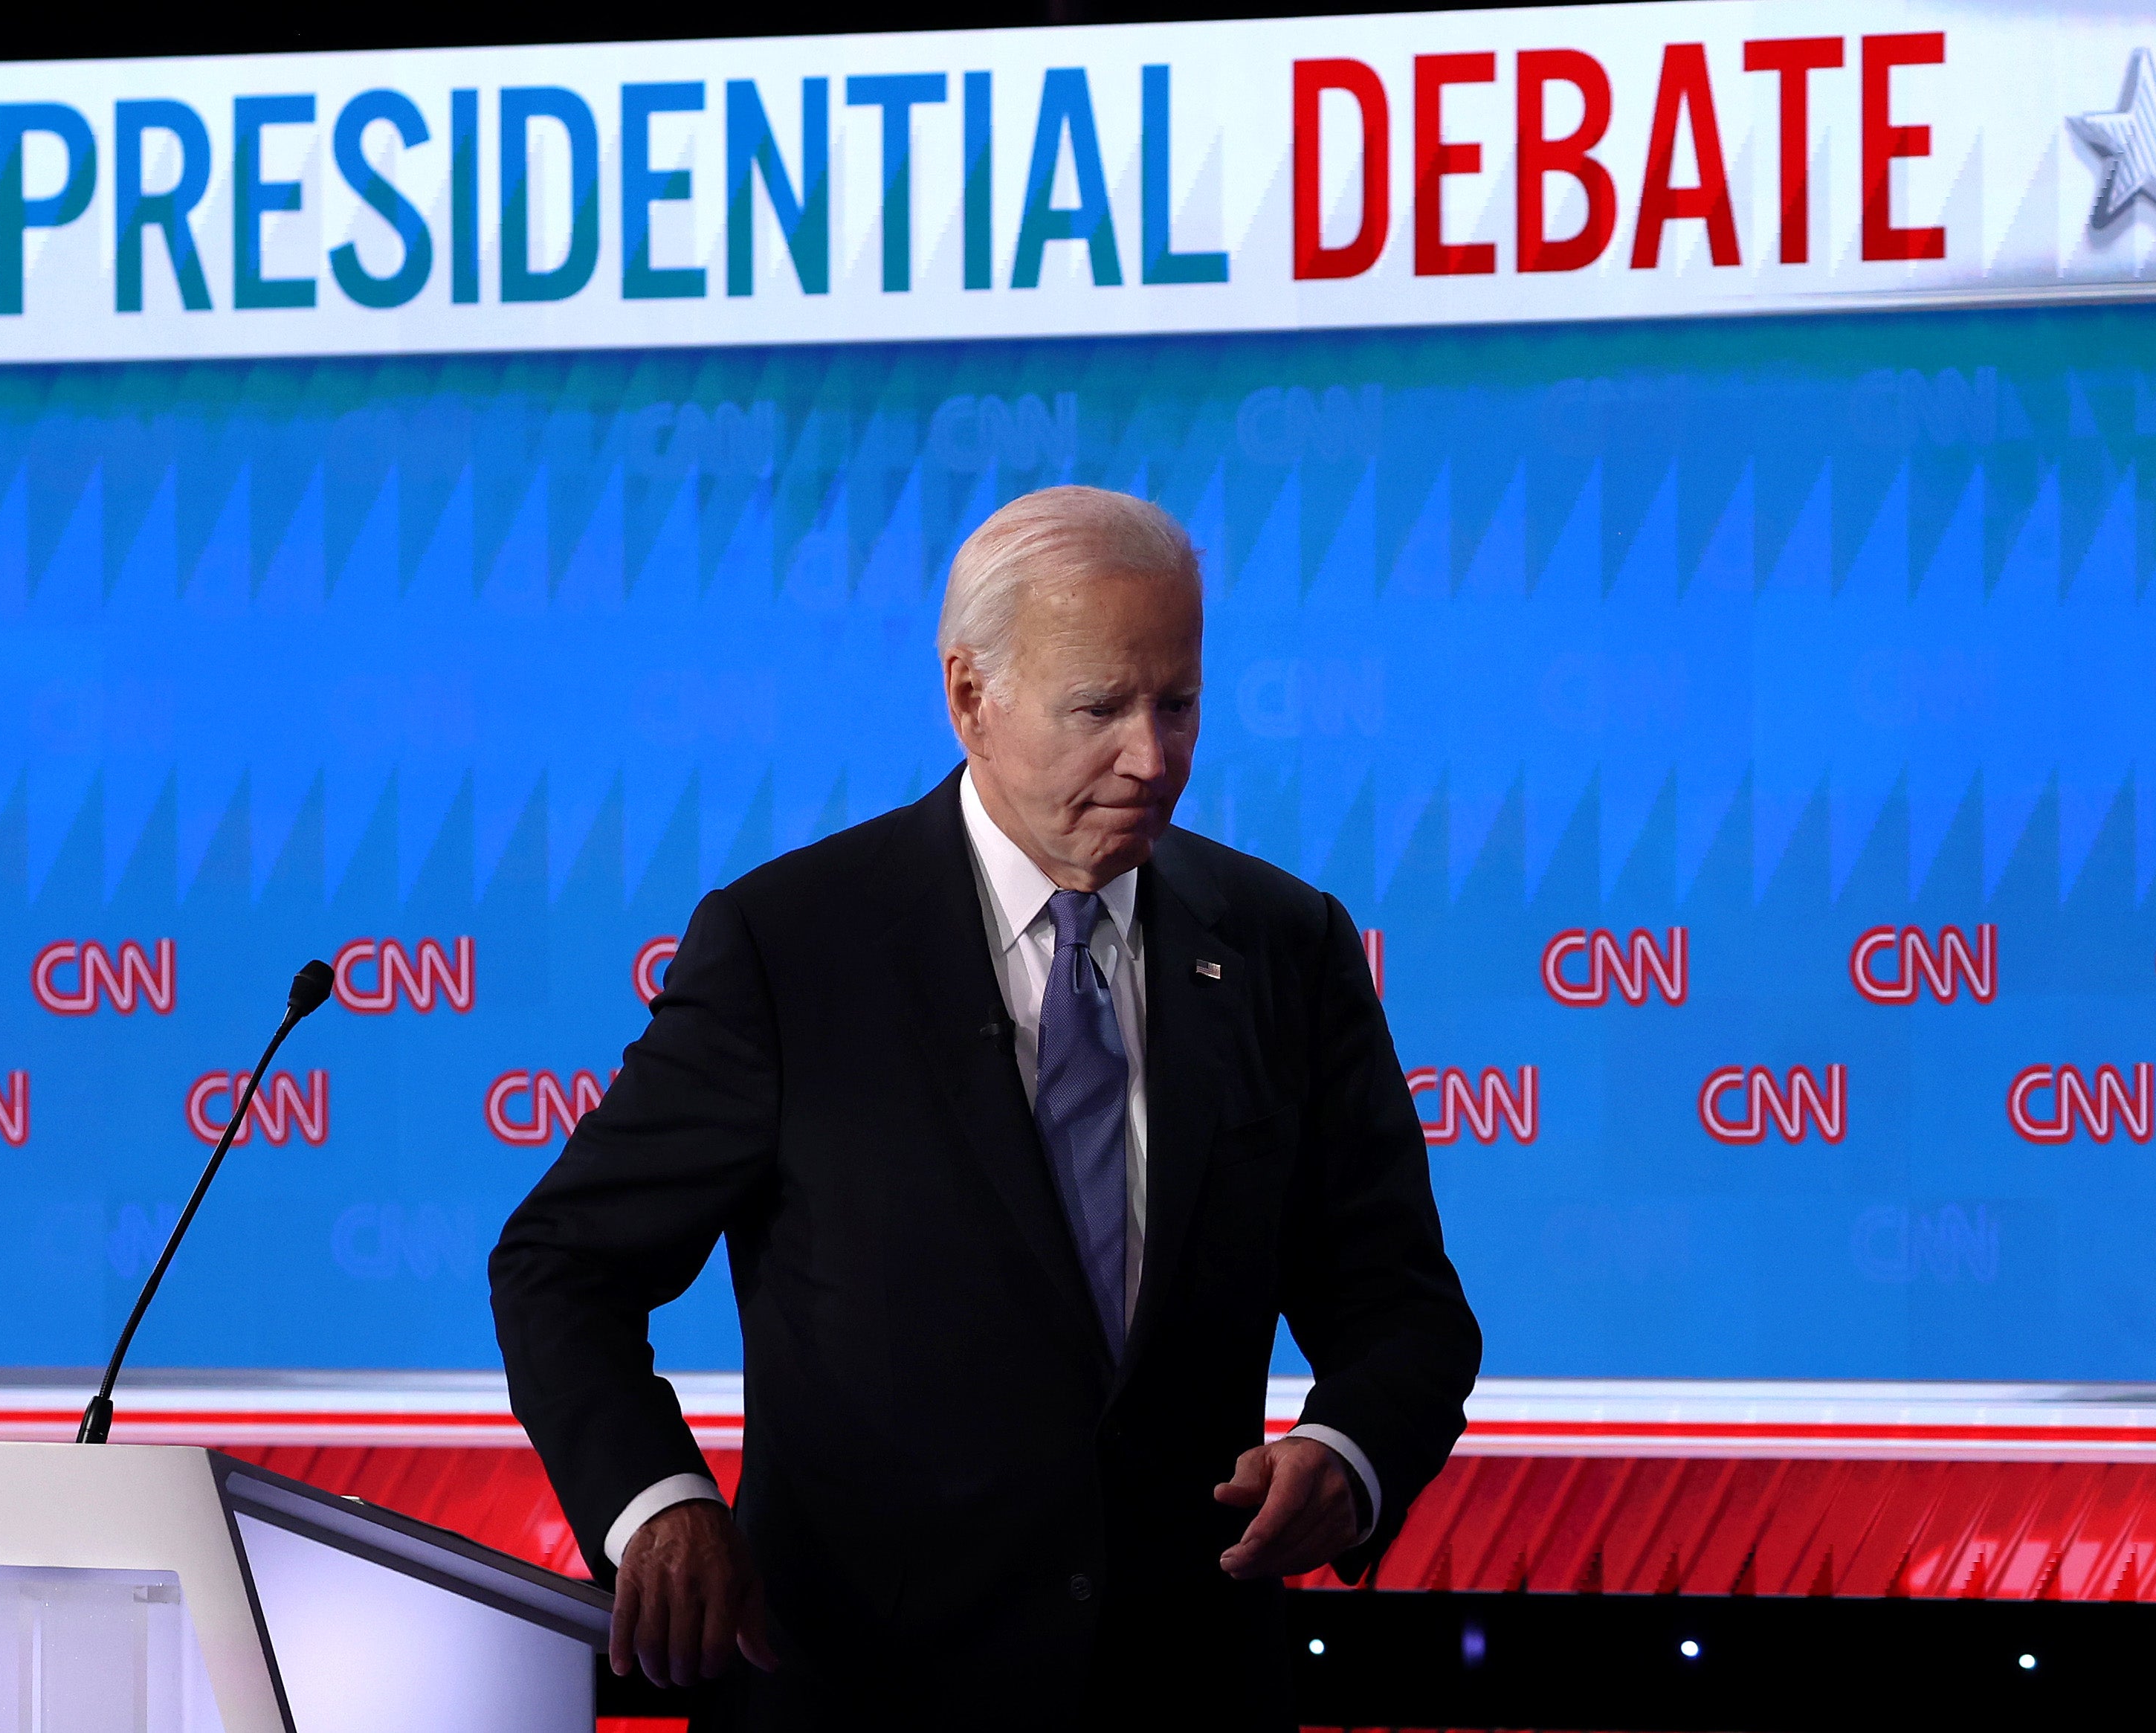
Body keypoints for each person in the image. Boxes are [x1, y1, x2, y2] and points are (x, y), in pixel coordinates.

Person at [490, 485, 1479, 1728]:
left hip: (1181, 1698)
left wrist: (1346, 1456)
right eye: (1099, 709)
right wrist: (658, 1504)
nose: (1152, 756)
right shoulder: (792, 948)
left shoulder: (1287, 946)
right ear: (970, 697)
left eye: (1177, 704)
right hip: (857, 1695)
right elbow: (560, 1267)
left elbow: (1402, 1309)